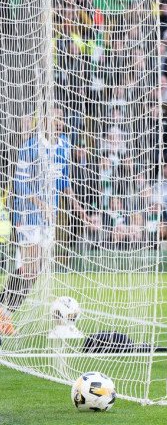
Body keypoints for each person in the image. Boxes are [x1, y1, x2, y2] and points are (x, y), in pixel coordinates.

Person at [0, 110, 91, 336]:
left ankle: (4, 313)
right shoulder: (30, 147)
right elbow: (19, 184)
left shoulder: (65, 145)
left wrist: (77, 207)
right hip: (28, 216)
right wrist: (40, 204)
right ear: (44, 121)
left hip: (49, 218)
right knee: (29, 269)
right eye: (54, 117)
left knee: (33, 270)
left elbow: (64, 178)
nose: (59, 122)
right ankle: (4, 313)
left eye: (61, 118)